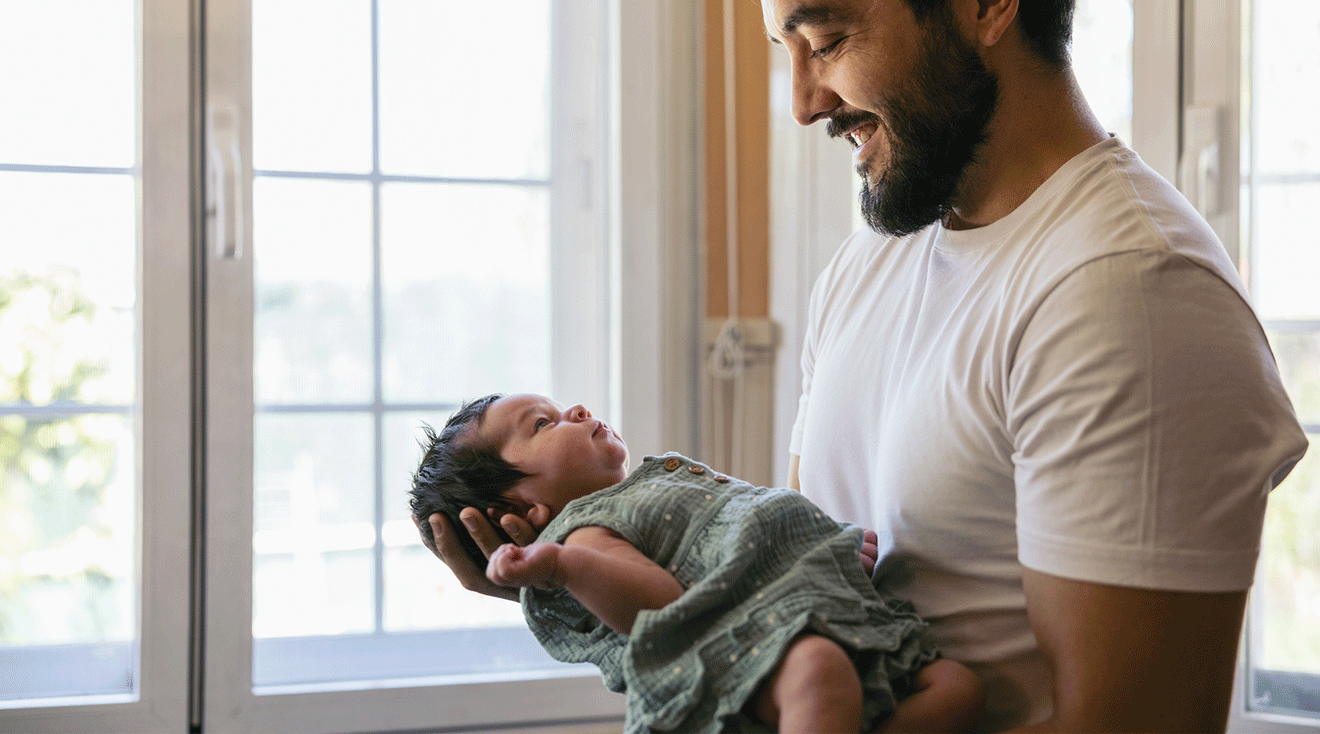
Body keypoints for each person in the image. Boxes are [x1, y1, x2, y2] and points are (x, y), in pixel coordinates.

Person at [419, 1, 1308, 730]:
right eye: (789, 51)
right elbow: (781, 583)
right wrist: (571, 585)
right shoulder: (870, 263)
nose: (805, 103)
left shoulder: (1128, 293)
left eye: (829, 39)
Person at [410, 393, 985, 734]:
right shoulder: (584, 538)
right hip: (745, 656)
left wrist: (822, 550)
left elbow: (749, 526)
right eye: (544, 424)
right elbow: (659, 603)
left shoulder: (658, 481)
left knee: (957, 689)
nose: (576, 410)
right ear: (521, 509)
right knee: (817, 670)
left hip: (817, 613)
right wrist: (560, 567)